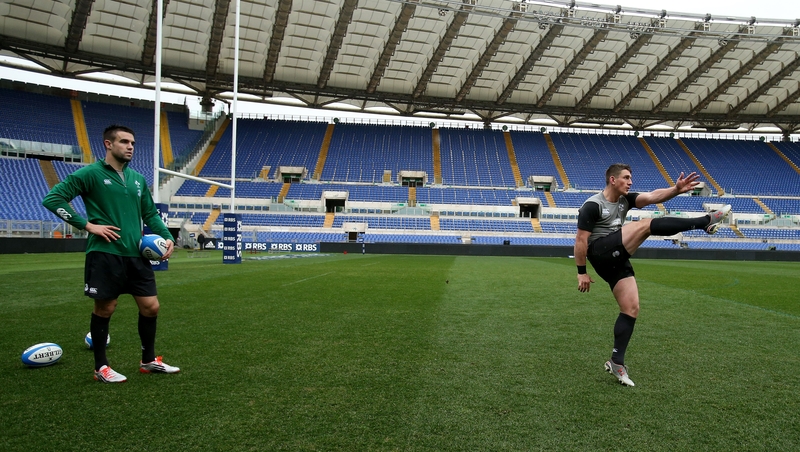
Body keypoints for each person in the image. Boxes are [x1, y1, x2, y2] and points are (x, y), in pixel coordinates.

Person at [43, 125, 180, 383]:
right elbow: (53, 199)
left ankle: (148, 361)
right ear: (108, 144)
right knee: (106, 307)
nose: (130, 147)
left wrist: (168, 237)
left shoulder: (137, 179)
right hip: (105, 253)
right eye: (124, 142)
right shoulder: (90, 174)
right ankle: (100, 367)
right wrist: (87, 225)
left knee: (151, 307)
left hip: (136, 254)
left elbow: (149, 213)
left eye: (133, 143)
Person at [574, 163, 730, 387]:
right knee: (646, 224)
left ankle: (616, 362)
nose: (630, 182)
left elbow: (653, 196)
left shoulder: (625, 200)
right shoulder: (592, 205)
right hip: (599, 252)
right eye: (626, 178)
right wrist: (581, 273)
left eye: (631, 178)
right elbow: (580, 241)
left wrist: (676, 189)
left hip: (616, 256)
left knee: (631, 308)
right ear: (612, 180)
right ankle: (706, 222)